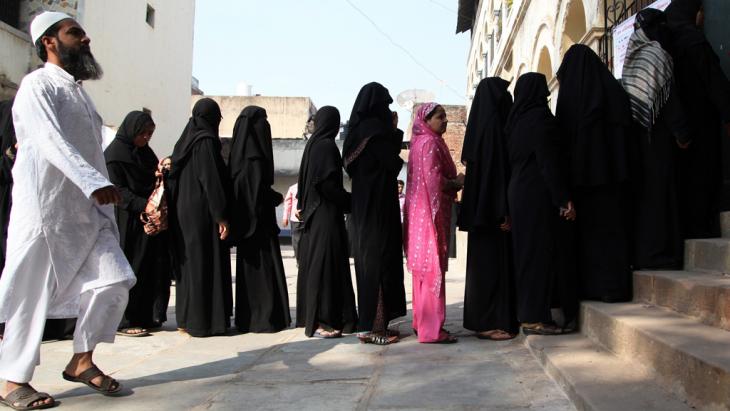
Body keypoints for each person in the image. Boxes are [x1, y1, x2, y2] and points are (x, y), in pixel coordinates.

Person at [0, 11, 137, 408]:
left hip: (87, 215)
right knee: (30, 295)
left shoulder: (79, 93)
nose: (85, 39)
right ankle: (12, 381)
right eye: (75, 33)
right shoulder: (37, 86)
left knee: (114, 282)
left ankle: (81, 360)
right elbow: (47, 140)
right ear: (49, 42)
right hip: (46, 212)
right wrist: (94, 182)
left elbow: (96, 146)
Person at [555, 44, 633, 302]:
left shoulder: (569, 101)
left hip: (581, 183)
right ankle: (614, 288)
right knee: (611, 233)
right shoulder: (613, 92)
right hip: (612, 179)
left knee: (588, 238)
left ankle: (591, 288)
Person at [506, 73, 578, 335]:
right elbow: (549, 163)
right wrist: (563, 198)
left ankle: (529, 315)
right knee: (539, 255)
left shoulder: (514, 122)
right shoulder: (540, 119)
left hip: (518, 193)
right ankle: (536, 318)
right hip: (537, 195)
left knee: (526, 256)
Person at [622, 9, 691, 270]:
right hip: (657, 138)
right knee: (661, 195)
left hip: (638, 141)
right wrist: (682, 133)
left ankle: (646, 253)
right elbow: (669, 99)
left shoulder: (631, 57)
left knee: (647, 197)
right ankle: (663, 253)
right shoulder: (657, 54)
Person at [342, 82, 406, 345]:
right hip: (379, 209)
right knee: (378, 265)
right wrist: (394, 131)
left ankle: (374, 324)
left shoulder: (356, 133)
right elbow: (393, 163)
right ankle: (372, 327)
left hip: (362, 209)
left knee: (369, 264)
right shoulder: (377, 133)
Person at [458, 77, 518, 340]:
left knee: (483, 266)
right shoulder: (493, 128)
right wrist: (503, 209)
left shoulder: (482, 128)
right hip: (493, 213)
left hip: (484, 211)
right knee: (491, 268)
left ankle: (484, 321)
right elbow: (497, 175)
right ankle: (489, 323)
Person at [168, 97, 233, 337]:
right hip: (201, 213)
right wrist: (221, 216)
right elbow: (210, 180)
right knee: (204, 263)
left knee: (189, 265)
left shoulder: (184, 142)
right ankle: (204, 321)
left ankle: (186, 318)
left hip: (182, 211)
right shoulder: (205, 141)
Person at [665, 0, 730, 240]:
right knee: (705, 173)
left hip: (678, 127)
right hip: (701, 120)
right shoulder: (693, 41)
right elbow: (714, 81)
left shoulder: (665, 43)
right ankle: (705, 225)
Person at [105, 111, 171, 336]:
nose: (146, 138)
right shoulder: (114, 155)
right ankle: (125, 319)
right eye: (142, 133)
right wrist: (143, 205)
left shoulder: (145, 153)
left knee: (150, 267)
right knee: (131, 266)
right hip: (128, 220)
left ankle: (147, 315)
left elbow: (154, 179)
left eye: (150, 134)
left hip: (150, 220)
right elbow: (117, 190)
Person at [295, 106, 358, 338]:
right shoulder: (326, 146)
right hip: (325, 215)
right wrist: (352, 202)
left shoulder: (313, 145)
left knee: (322, 265)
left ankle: (325, 318)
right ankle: (324, 320)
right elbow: (326, 185)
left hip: (316, 215)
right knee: (326, 266)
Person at [229, 106, 291, 333]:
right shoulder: (253, 159)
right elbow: (255, 192)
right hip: (258, 226)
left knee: (251, 276)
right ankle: (265, 318)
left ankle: (250, 318)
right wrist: (274, 197)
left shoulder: (238, 157)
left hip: (248, 226)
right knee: (263, 275)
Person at [403, 103, 462, 344]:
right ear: (425, 121)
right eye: (440, 117)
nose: (445, 120)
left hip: (419, 215)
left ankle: (421, 324)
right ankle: (432, 331)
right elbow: (434, 181)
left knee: (423, 272)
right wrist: (456, 182)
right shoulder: (429, 144)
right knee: (432, 270)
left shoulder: (419, 143)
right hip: (429, 216)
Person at [282, 183, 302, 263]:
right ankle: (299, 260)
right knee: (296, 241)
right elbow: (287, 203)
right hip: (295, 220)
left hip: (309, 219)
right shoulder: (293, 188)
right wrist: (285, 217)